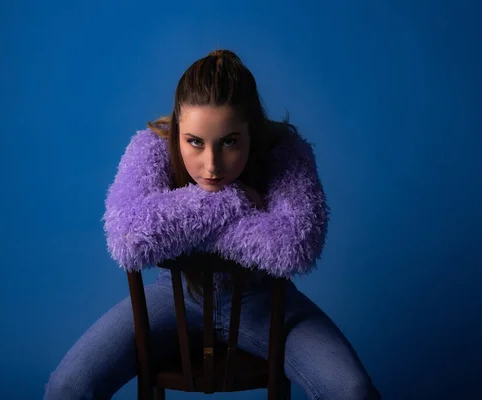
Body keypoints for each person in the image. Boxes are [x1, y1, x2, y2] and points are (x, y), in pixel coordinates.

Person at [45, 49, 381, 400]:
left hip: (265, 302)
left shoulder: (284, 149)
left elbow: (295, 244)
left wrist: (188, 225)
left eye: (229, 142)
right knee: (67, 388)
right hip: (174, 299)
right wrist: (235, 201)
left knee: (352, 391)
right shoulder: (153, 146)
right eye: (194, 142)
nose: (211, 166)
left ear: (252, 131)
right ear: (177, 130)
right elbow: (129, 235)